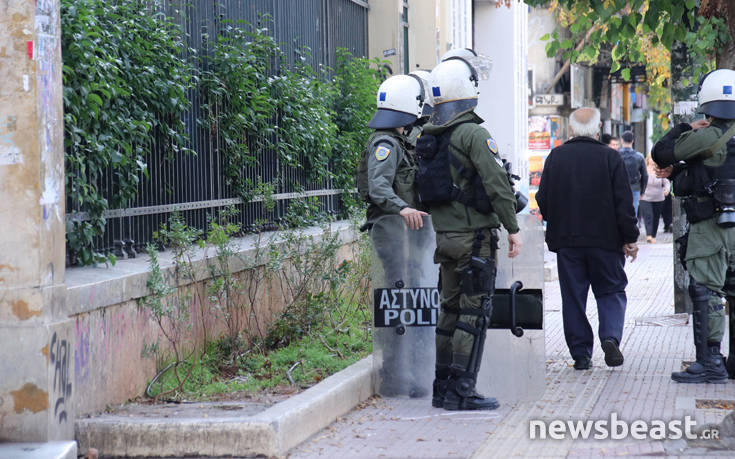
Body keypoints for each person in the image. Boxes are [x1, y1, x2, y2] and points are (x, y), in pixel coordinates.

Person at [418, 57, 522, 411]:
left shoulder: (428, 137)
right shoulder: (473, 133)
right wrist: (513, 228)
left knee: (448, 310)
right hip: (475, 238)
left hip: (444, 237)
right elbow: (496, 184)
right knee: (473, 311)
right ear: (467, 92)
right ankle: (464, 389)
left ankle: (441, 387)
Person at [536, 107, 639, 371]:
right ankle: (610, 337)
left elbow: (543, 198)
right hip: (606, 241)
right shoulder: (610, 157)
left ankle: (581, 354)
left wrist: (557, 223)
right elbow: (623, 202)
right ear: (597, 129)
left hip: (568, 241)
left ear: (571, 129)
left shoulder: (556, 157)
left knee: (573, 298)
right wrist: (630, 238)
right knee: (611, 291)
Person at [652, 69, 735, 383]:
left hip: (712, 227)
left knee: (706, 290)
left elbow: (660, 153)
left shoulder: (706, 136)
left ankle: (711, 362)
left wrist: (685, 127)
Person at [357, 74, 429, 396]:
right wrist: (402, 208)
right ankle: (396, 373)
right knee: (398, 301)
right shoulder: (385, 144)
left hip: (405, 236)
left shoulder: (401, 141)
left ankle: (409, 369)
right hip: (392, 234)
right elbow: (378, 186)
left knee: (409, 298)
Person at [639, 155, 670, 243]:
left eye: (654, 159)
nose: (652, 161)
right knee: (648, 215)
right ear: (648, 160)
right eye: (651, 159)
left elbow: (666, 181)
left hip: (658, 197)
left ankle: (653, 235)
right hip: (645, 197)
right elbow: (639, 181)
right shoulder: (643, 169)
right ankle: (649, 235)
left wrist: (667, 189)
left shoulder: (660, 169)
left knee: (656, 217)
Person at [619, 130, 648, 217]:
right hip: (635, 188)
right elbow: (645, 175)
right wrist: (642, 191)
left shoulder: (615, 155)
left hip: (619, 187)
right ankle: (632, 229)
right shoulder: (639, 156)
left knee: (620, 211)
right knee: (633, 212)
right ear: (632, 141)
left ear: (622, 140)